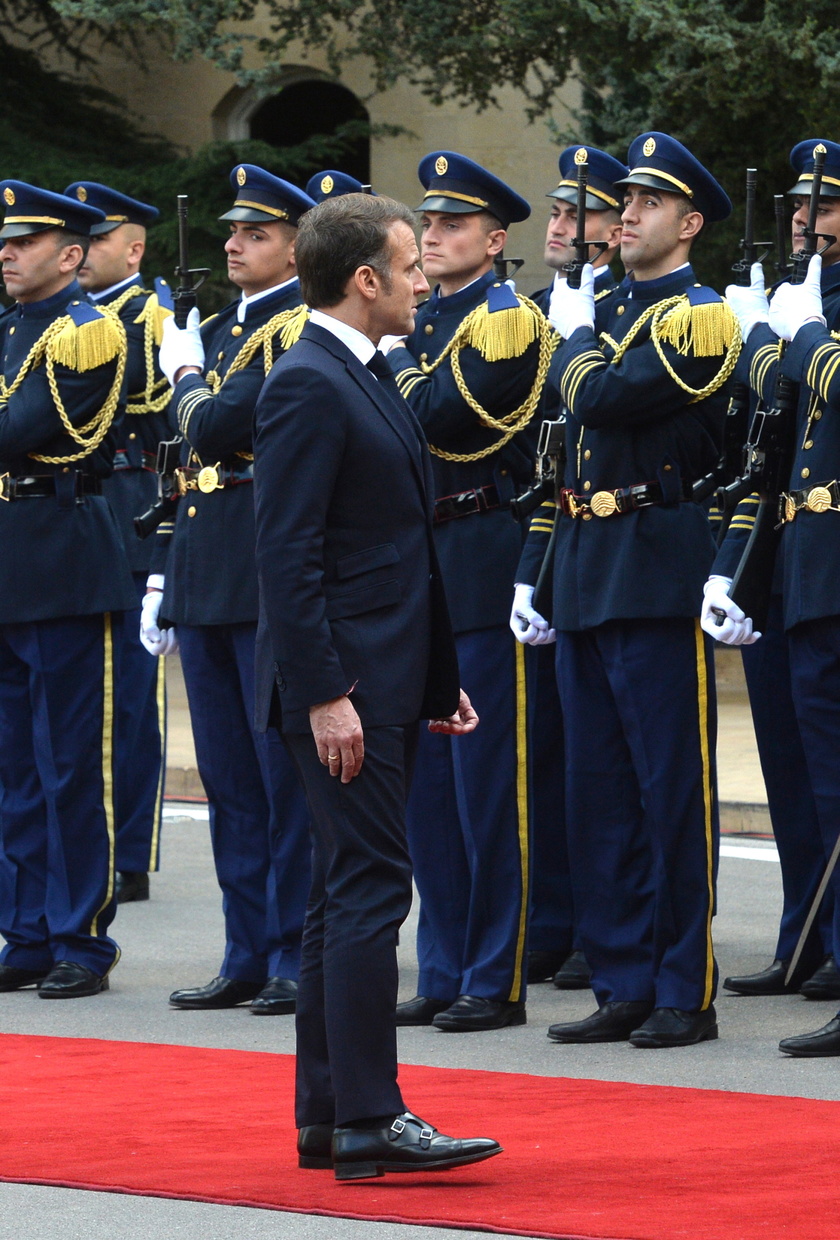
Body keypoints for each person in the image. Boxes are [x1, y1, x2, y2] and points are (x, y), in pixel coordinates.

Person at [252, 191, 500, 1179]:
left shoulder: (359, 372)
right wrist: (325, 693)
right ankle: (371, 1115)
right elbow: (288, 554)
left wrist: (435, 679)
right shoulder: (310, 381)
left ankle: (328, 1114)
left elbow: (397, 550)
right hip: (345, 686)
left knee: (336, 895)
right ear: (364, 279)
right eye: (406, 265)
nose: (420, 278)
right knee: (365, 893)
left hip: (382, 675)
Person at [520, 133, 740, 1048]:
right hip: (584, 560)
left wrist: (573, 345)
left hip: (655, 562)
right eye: (626, 203)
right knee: (599, 788)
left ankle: (682, 987)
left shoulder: (700, 314)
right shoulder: (603, 309)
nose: (628, 216)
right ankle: (620, 979)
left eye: (649, 205)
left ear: (687, 225)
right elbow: (558, 442)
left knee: (667, 789)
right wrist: (538, 573)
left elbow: (603, 400)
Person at [386, 151, 554, 1032]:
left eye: (454, 225)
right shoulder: (412, 321)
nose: (437, 237)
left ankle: (497, 972)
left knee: (489, 785)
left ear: (495, 240)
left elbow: (433, 417)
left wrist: (387, 359)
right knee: (429, 789)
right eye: (430, 224)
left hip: (483, 552)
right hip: (418, 561)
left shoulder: (504, 322)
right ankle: (443, 964)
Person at [150, 165, 314, 1014]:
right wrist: (165, 579)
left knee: (278, 777)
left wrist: (181, 379)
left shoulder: (293, 328)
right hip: (208, 568)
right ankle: (245, 948)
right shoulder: (220, 328)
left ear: (295, 245)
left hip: (259, 571)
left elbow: (215, 424)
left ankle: (292, 949)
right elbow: (186, 465)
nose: (233, 244)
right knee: (227, 781)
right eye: (233, 232)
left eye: (255, 233)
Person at [701, 140, 840, 1055]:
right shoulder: (803, 302)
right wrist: (735, 565)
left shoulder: (815, 316)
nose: (805, 217)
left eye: (824, 205)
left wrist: (794, 336)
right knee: (795, 773)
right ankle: (809, 940)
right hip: (797, 561)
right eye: (801, 204)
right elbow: (763, 431)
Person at [0, 180, 137, 998]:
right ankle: (23, 930)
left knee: (71, 763)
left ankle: (80, 938)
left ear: (72, 254)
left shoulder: (89, 335)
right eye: (4, 241)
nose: (7, 253)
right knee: (14, 765)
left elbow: (19, 431)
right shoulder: (9, 328)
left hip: (63, 560)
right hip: (11, 559)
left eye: (23, 241)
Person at [512, 145, 625, 991]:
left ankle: (604, 924)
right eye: (556, 213)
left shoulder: (618, 314)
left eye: (579, 214)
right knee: (546, 753)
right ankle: (552, 919)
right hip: (534, 544)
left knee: (606, 759)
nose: (560, 227)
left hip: (593, 543)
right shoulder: (530, 311)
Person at [65, 180, 171, 905]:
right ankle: (87, 842)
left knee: (129, 703)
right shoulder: (68, 317)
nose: (84, 253)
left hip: (133, 506)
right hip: (82, 513)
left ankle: (127, 850)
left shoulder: (153, 316)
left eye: (97, 239)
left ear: (132, 248)